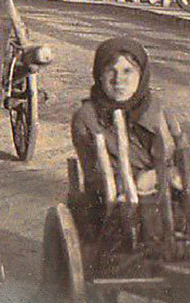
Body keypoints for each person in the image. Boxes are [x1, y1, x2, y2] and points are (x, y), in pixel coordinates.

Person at [69, 37, 179, 237]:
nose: (119, 79)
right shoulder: (87, 117)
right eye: (110, 70)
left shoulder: (157, 109)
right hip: (114, 203)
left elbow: (179, 152)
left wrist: (170, 173)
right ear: (99, 75)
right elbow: (95, 177)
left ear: (141, 75)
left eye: (128, 71)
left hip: (165, 190)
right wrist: (138, 181)